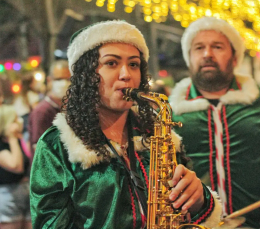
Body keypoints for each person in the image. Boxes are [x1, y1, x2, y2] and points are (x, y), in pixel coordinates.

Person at [30, 20, 222, 229]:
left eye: (133, 64)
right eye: (112, 63)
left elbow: (186, 213)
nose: (126, 75)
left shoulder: (158, 134)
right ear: (86, 74)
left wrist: (200, 200)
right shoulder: (55, 146)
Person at [169, 16, 260, 228]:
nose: (207, 54)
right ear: (189, 57)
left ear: (235, 58)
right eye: (199, 48)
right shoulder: (170, 110)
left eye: (217, 47)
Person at [0, 105, 32, 229]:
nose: (19, 122)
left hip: (24, 190)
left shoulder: (18, 141)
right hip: (7, 195)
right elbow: (16, 166)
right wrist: (12, 138)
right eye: (14, 120)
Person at [28, 60, 71, 156]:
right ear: (49, 81)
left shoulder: (68, 108)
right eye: (59, 79)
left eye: (68, 79)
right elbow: (39, 150)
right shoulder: (42, 111)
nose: (64, 83)